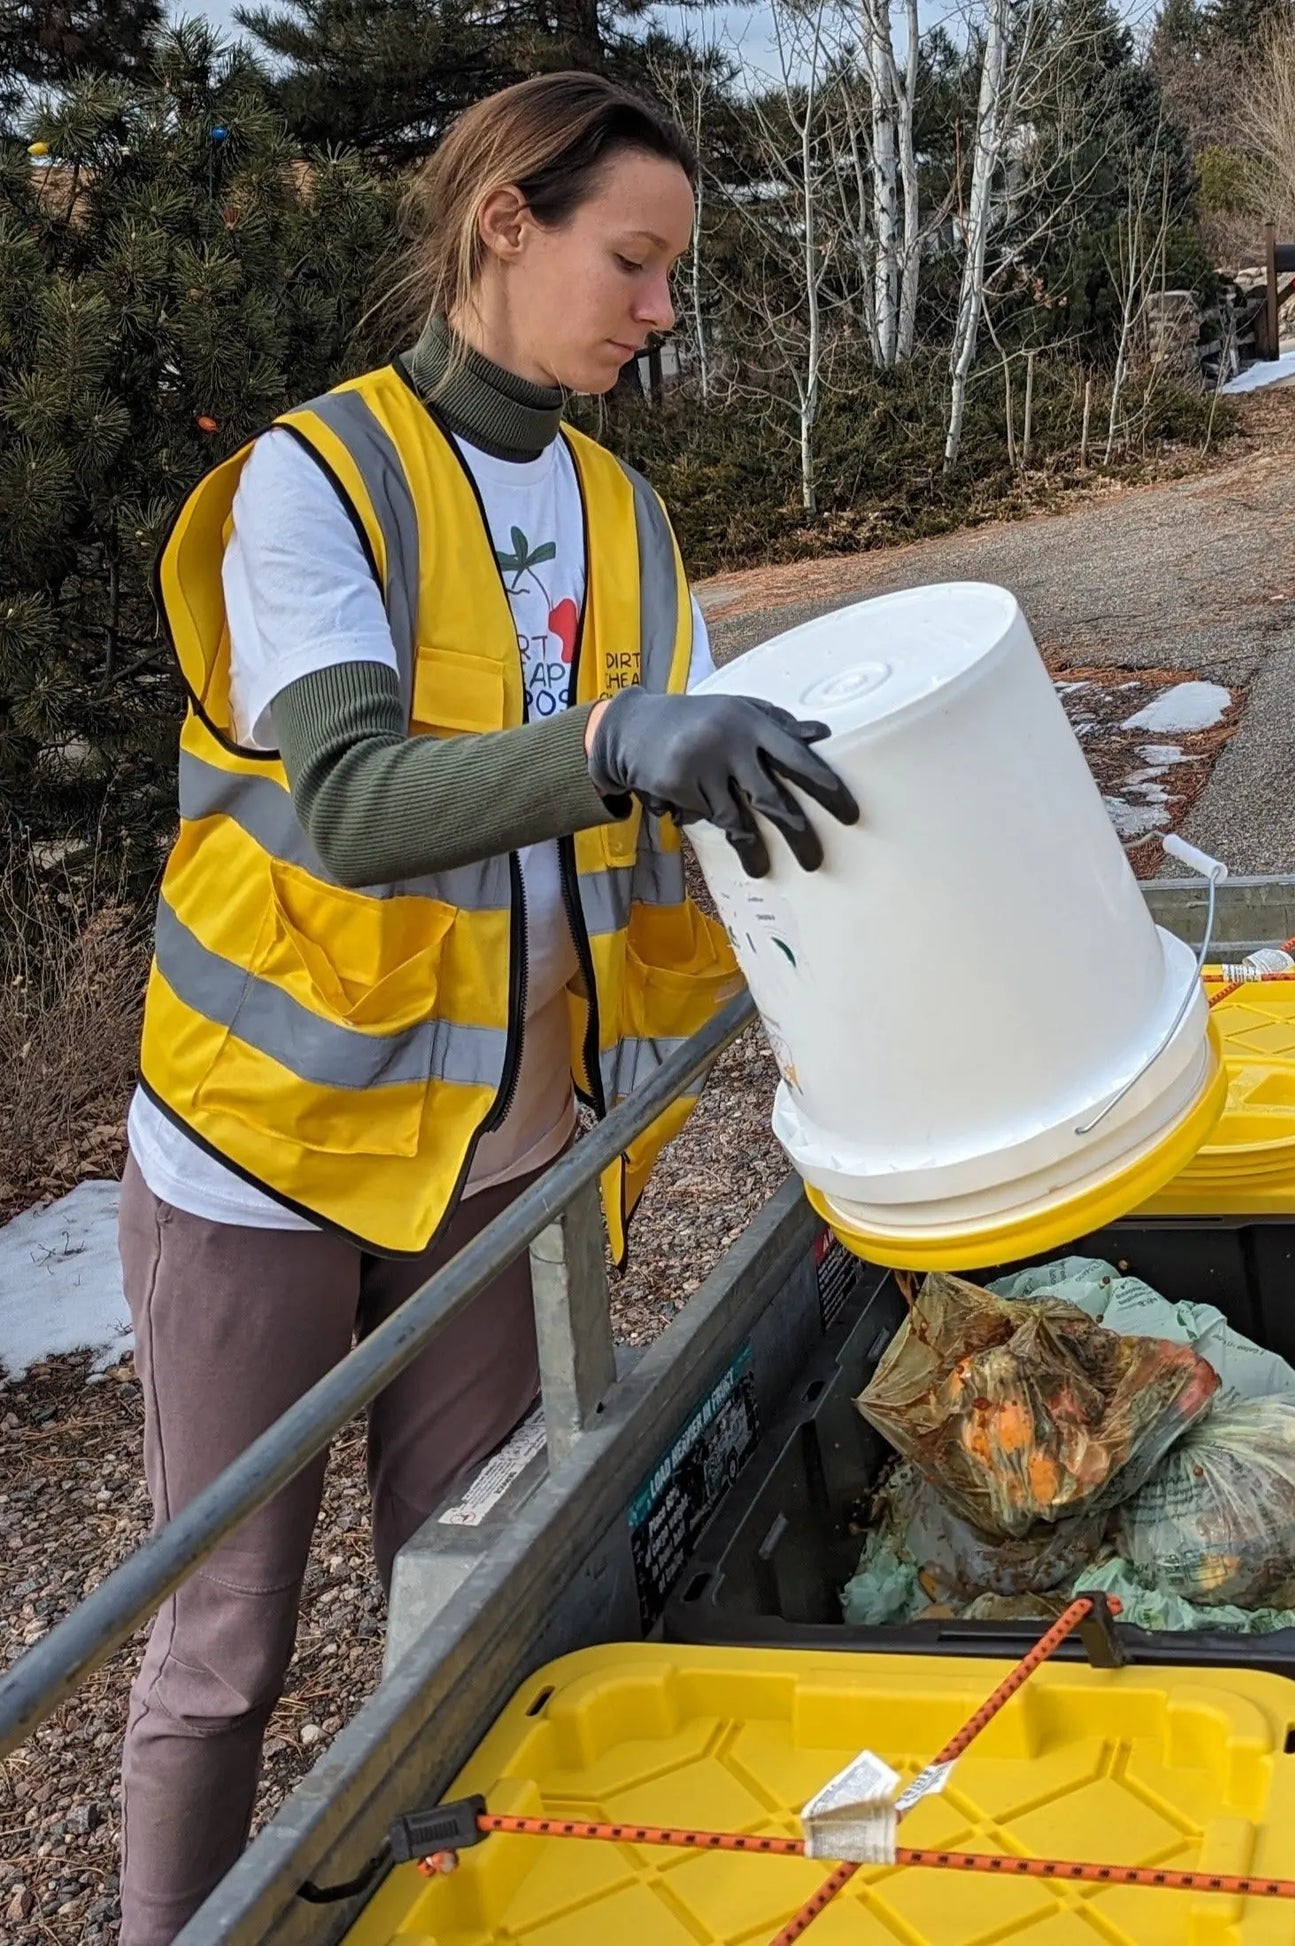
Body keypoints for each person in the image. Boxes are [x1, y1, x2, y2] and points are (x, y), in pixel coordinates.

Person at [115, 71, 856, 1945]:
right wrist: (616, 738)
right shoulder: (313, 482)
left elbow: (697, 825)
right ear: (502, 226)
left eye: (674, 272)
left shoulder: (626, 517)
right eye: (634, 259)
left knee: (480, 1613)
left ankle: (436, 1914)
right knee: (227, 1643)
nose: (659, 311)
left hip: (508, 1171)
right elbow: (355, 803)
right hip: (265, 1156)